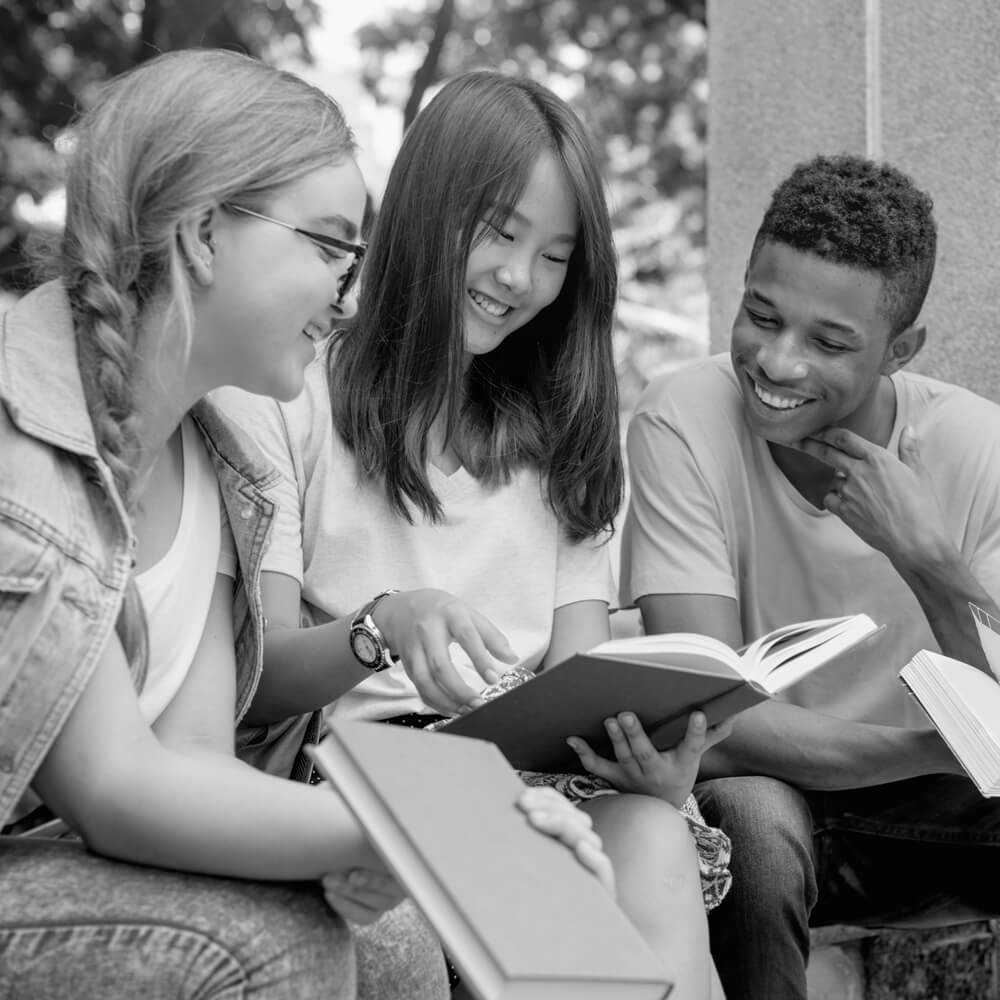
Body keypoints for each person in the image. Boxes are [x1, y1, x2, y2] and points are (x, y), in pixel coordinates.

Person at [0, 49, 614, 1000]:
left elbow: (195, 763)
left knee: (376, 930)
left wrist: (419, 837)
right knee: (281, 942)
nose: (350, 289)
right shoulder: (26, 433)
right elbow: (114, 788)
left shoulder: (223, 446)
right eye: (329, 247)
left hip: (72, 853)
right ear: (204, 234)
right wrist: (422, 830)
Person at [213, 70, 730, 1000]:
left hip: (526, 780)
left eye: (555, 255)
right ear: (425, 207)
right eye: (498, 230)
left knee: (651, 833)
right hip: (367, 776)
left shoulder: (562, 438)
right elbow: (257, 681)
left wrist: (642, 755)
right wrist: (386, 625)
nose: (518, 279)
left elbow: (575, 690)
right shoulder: (296, 392)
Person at [619, 152, 1000, 1000]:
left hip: (921, 821)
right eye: (761, 315)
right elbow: (709, 713)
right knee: (753, 821)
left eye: (829, 342)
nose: (779, 363)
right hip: (772, 804)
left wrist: (926, 559)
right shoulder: (684, 417)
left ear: (901, 349)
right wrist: (933, 749)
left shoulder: (976, 450)